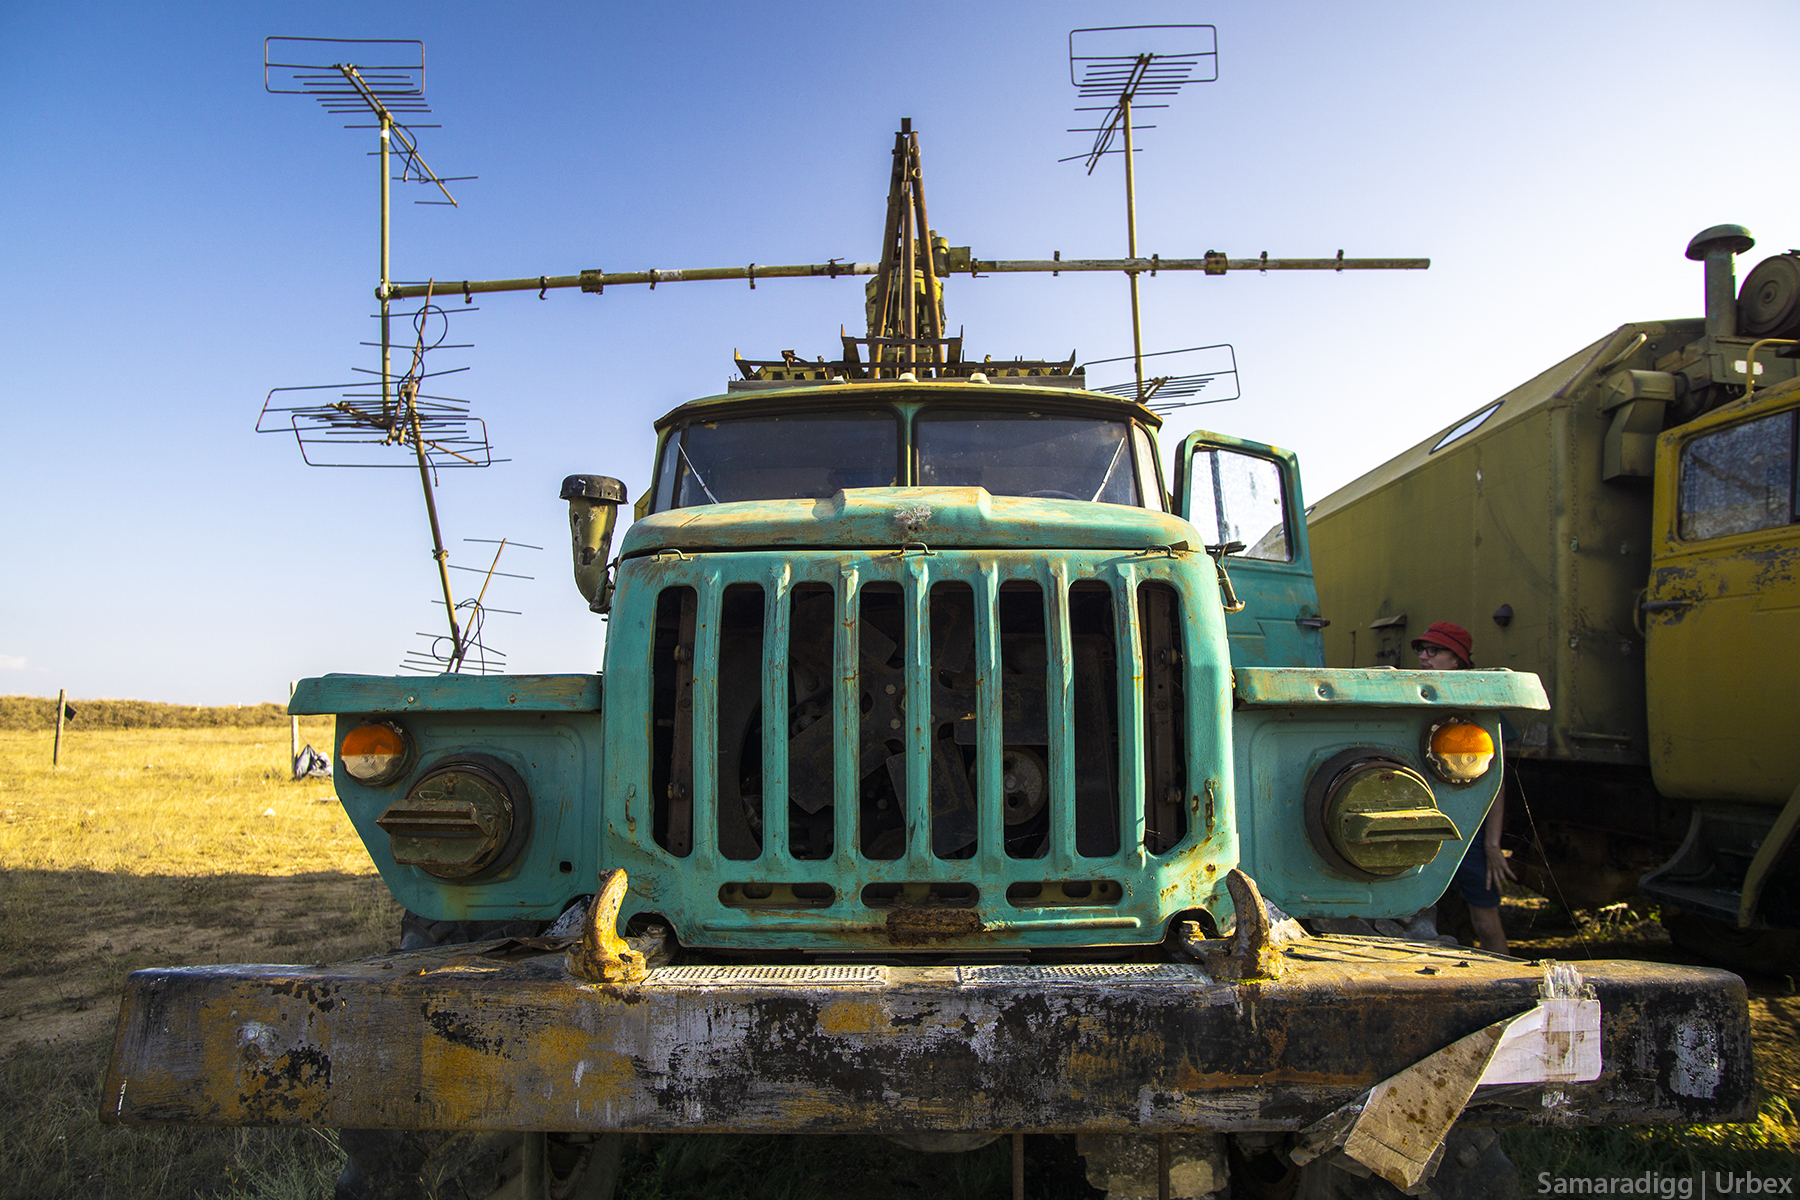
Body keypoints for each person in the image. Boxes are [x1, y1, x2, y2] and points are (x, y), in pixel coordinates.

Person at [1413, 622, 1516, 954]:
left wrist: (1492, 845)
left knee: (1486, 924)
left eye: (1434, 651)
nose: (1424, 657)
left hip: (1470, 832)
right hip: (1424, 827)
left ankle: (1509, 982)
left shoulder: (1481, 706)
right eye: (1421, 651)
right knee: (1416, 919)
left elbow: (1495, 782)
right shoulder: (1411, 699)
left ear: (1457, 660)